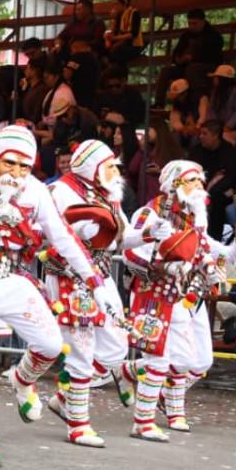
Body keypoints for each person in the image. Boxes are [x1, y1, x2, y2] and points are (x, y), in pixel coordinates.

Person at [0, 125, 121, 467]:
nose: (16, 173)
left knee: (49, 345)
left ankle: (21, 379)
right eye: (9, 163)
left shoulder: (35, 191)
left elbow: (62, 237)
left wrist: (94, 282)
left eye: (24, 166)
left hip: (14, 280)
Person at [121, 160, 236, 440]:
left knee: (189, 360)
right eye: (192, 182)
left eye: (201, 182)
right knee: (161, 360)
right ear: (174, 184)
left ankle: (137, 387)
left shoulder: (192, 218)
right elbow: (131, 253)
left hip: (184, 296)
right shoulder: (150, 212)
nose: (199, 187)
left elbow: (214, 254)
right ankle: (150, 418)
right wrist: (165, 265)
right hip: (152, 294)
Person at [43, 140, 137, 447]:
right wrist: (82, 231)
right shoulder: (61, 191)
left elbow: (119, 240)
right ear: (91, 167)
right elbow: (52, 234)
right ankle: (78, 424)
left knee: (116, 347)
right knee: (82, 350)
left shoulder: (108, 194)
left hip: (102, 275)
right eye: (109, 165)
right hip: (72, 278)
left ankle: (62, 399)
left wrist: (151, 234)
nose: (115, 170)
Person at [104, 0, 144, 66]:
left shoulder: (134, 13)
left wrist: (115, 38)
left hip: (133, 46)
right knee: (105, 50)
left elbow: (133, 34)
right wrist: (114, 18)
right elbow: (113, 32)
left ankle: (118, 74)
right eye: (113, 4)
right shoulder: (119, 15)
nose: (114, 7)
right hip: (120, 43)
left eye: (116, 4)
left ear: (124, 4)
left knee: (116, 53)